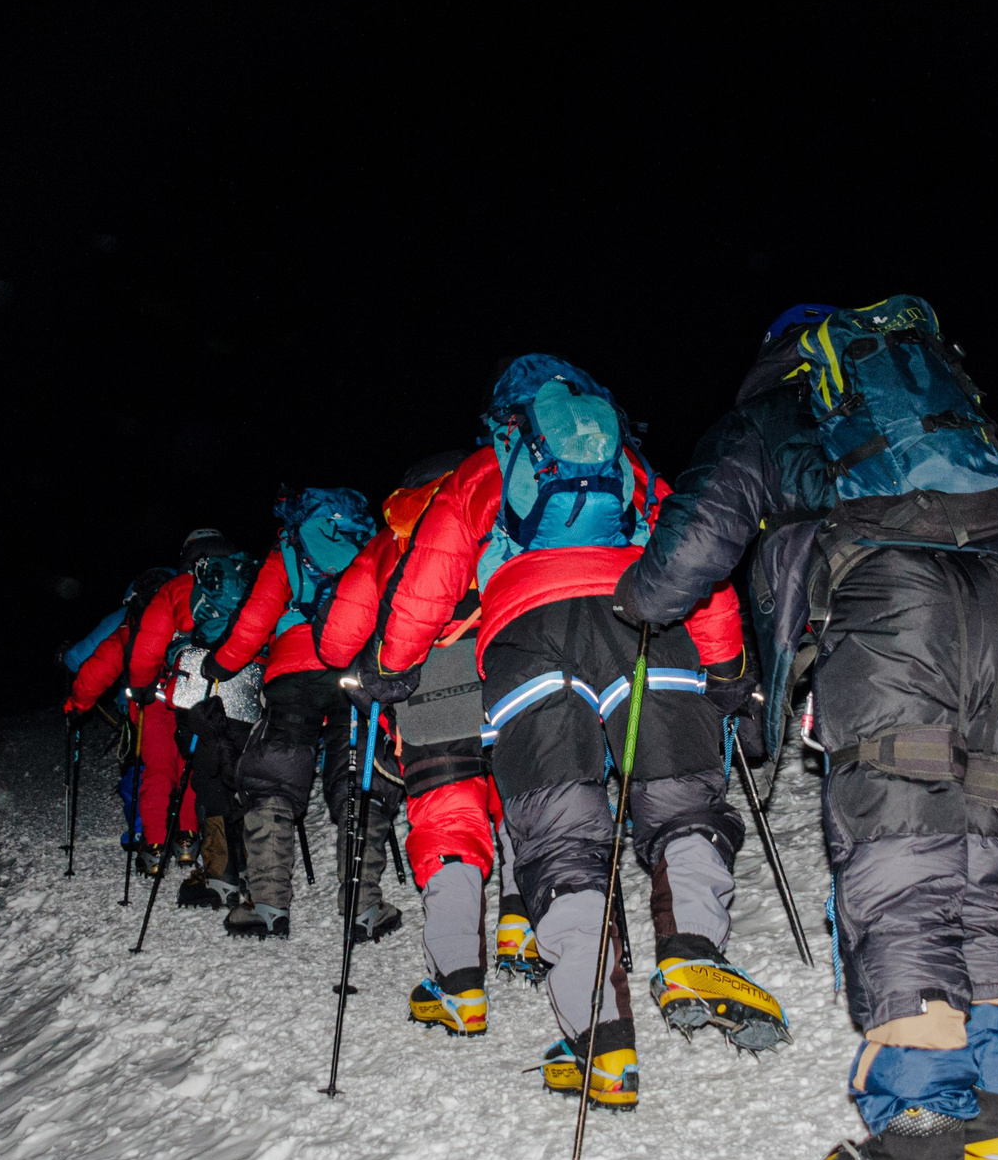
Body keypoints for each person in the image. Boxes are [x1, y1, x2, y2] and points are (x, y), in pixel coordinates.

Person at [613, 298, 998, 1160]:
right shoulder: (935, 403)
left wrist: (636, 600)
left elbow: (689, 552)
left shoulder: (775, 411)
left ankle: (919, 1150)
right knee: (984, 861)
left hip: (898, 610)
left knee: (900, 865)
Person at [362, 354, 773, 1111]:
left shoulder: (488, 469)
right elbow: (696, 552)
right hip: (645, 626)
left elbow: (434, 569)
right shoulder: (629, 460)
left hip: (529, 638)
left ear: (505, 415)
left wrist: (393, 663)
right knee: (681, 804)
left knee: (562, 837)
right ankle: (690, 951)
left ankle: (601, 1043)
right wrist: (722, 665)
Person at [321, 452, 505, 1035]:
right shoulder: (500, 508)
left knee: (450, 822)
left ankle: (459, 987)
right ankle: (523, 926)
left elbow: (337, 642)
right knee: (527, 803)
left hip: (431, 684)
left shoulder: (388, 542)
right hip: (513, 665)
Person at [210, 486, 391, 939]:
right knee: (357, 777)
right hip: (353, 668)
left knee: (273, 778)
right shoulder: (366, 545)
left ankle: (269, 904)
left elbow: (254, 622)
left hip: (292, 677)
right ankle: (363, 903)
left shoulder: (288, 550)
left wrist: (221, 663)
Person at [109, 530, 252, 879]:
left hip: (189, 695)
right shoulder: (249, 577)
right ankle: (245, 854)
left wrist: (142, 689)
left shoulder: (177, 589)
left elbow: (147, 648)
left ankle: (166, 845)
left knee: (181, 768)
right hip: (246, 687)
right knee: (245, 768)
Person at [64, 562, 177, 860]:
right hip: (193, 700)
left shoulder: (129, 616)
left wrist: (64, 656)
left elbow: (80, 660)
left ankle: (144, 832)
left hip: (144, 704)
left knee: (141, 766)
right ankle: (189, 831)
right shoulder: (191, 603)